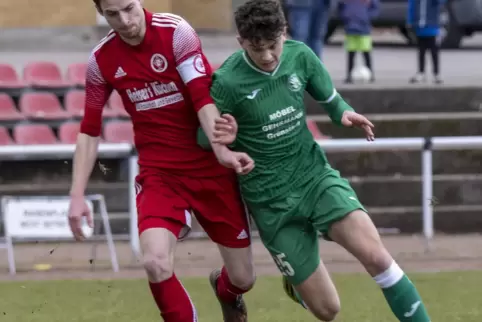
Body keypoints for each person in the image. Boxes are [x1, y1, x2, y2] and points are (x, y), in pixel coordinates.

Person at [198, 0, 432, 321]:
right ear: (241, 42)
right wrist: (223, 134)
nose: (267, 56)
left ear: (285, 32)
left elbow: (331, 99)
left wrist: (345, 113)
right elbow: (203, 139)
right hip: (272, 203)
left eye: (273, 45)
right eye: (256, 48)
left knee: (378, 258)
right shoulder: (226, 82)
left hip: (315, 179)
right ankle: (296, 284)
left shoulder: (300, 56)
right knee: (328, 310)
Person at [67, 0, 256, 321]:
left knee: (243, 279)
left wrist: (222, 150)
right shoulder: (101, 59)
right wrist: (76, 195)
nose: (125, 20)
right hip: (160, 174)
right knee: (154, 261)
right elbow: (89, 130)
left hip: (211, 170)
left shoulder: (175, 33)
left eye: (129, 8)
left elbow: (201, 97)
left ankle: (225, 290)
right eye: (113, 14)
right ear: (101, 13)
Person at [338, 0, 379, 83]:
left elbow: (375, 7)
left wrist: (367, 17)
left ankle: (370, 74)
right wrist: (345, 16)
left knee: (366, 52)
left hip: (364, 30)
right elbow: (340, 6)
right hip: (350, 29)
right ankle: (349, 75)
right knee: (351, 53)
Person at [407, 0, 444, 84]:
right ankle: (421, 72)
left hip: (432, 27)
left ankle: (436, 73)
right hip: (419, 27)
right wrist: (409, 22)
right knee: (421, 51)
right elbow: (411, 8)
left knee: (434, 52)